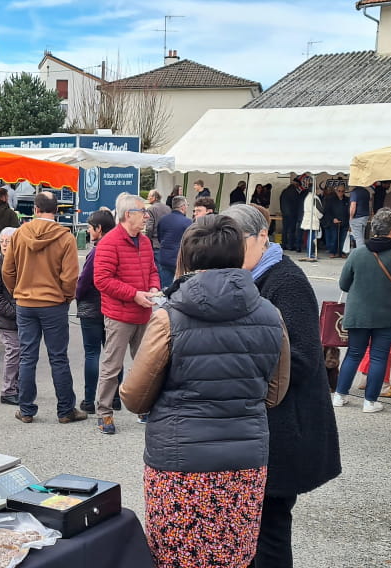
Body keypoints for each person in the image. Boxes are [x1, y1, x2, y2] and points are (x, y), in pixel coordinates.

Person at [120, 214, 290, 568]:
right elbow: (274, 393)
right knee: (234, 556)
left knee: (175, 556)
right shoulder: (271, 314)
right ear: (238, 253)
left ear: (190, 257)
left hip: (179, 460)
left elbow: (135, 396)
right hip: (245, 461)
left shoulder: (168, 317)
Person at [220, 204, 342, 567]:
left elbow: (303, 357)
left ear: (261, 237)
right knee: (255, 527)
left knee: (270, 525)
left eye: (236, 241)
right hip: (266, 425)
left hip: (287, 426)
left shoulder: (284, 280)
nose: (230, 251)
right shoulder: (251, 276)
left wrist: (242, 377)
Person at [1, 191, 87, 424]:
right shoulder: (65, 237)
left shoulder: (19, 234)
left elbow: (7, 270)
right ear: (56, 210)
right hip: (53, 303)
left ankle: (26, 410)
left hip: (25, 303)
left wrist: (17, 292)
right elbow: (70, 277)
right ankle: (65, 410)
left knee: (27, 357)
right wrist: (66, 297)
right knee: (58, 357)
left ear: (35, 210)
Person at [332, 208, 391, 413]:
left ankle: (339, 395)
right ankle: (370, 402)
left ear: (374, 229)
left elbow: (344, 285)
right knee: (379, 356)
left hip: (358, 313)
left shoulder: (358, 253)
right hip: (388, 315)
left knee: (353, 354)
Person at [93, 193, 160, 434]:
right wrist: (134, 294)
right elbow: (102, 280)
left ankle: (143, 408)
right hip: (120, 315)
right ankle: (104, 412)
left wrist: (153, 287)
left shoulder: (144, 241)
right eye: (143, 212)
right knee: (112, 366)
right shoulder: (109, 243)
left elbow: (152, 269)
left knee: (146, 365)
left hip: (143, 312)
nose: (146, 217)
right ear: (128, 214)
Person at [75, 210, 115, 415]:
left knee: (92, 353)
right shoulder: (120, 246)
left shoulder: (98, 250)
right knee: (113, 353)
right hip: (113, 305)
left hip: (92, 306)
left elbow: (84, 280)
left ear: (99, 229)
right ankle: (115, 397)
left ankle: (89, 400)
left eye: (90, 228)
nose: (89, 232)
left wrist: (77, 296)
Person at [0, 227, 21, 406]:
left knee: (23, 352)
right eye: (2, 241)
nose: (5, 245)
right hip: (6, 316)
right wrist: (14, 312)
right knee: (14, 350)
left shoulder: (22, 259)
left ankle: (18, 387)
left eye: (9, 241)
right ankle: (8, 390)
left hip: (21, 315)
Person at [155, 196, 192, 288]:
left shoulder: (163, 220)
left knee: (166, 289)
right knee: (181, 289)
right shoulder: (187, 222)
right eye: (187, 205)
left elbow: (160, 237)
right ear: (183, 207)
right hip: (180, 260)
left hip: (164, 258)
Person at [322, 184, 349, 258]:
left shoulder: (347, 199)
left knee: (343, 238)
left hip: (344, 222)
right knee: (334, 238)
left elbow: (349, 211)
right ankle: (332, 252)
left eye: (342, 191)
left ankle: (341, 252)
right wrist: (333, 218)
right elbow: (326, 211)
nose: (341, 192)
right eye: (339, 191)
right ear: (336, 191)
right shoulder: (330, 199)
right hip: (334, 222)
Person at [143, 190, 172, 261]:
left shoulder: (151, 209)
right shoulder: (168, 208)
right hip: (167, 242)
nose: (147, 198)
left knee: (157, 268)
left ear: (154, 197)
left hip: (155, 243)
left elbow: (149, 228)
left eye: (149, 196)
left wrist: (146, 240)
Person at [299, 185, 323, 261]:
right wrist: (320, 216)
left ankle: (309, 253)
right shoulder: (314, 198)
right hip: (313, 219)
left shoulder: (307, 197)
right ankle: (310, 254)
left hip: (307, 218)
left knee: (310, 236)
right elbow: (319, 210)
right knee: (312, 238)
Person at [279, 179, 302, 252]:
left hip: (284, 214)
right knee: (291, 230)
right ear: (296, 184)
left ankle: (283, 244)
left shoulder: (284, 191)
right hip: (292, 214)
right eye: (298, 185)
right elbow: (297, 204)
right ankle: (290, 245)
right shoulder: (294, 192)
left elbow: (281, 202)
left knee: (285, 230)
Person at [349, 185, 373, 249]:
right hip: (365, 216)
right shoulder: (366, 191)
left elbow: (353, 206)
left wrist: (351, 217)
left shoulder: (354, 192)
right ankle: (362, 251)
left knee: (358, 238)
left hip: (357, 217)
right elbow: (370, 204)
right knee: (361, 237)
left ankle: (361, 253)